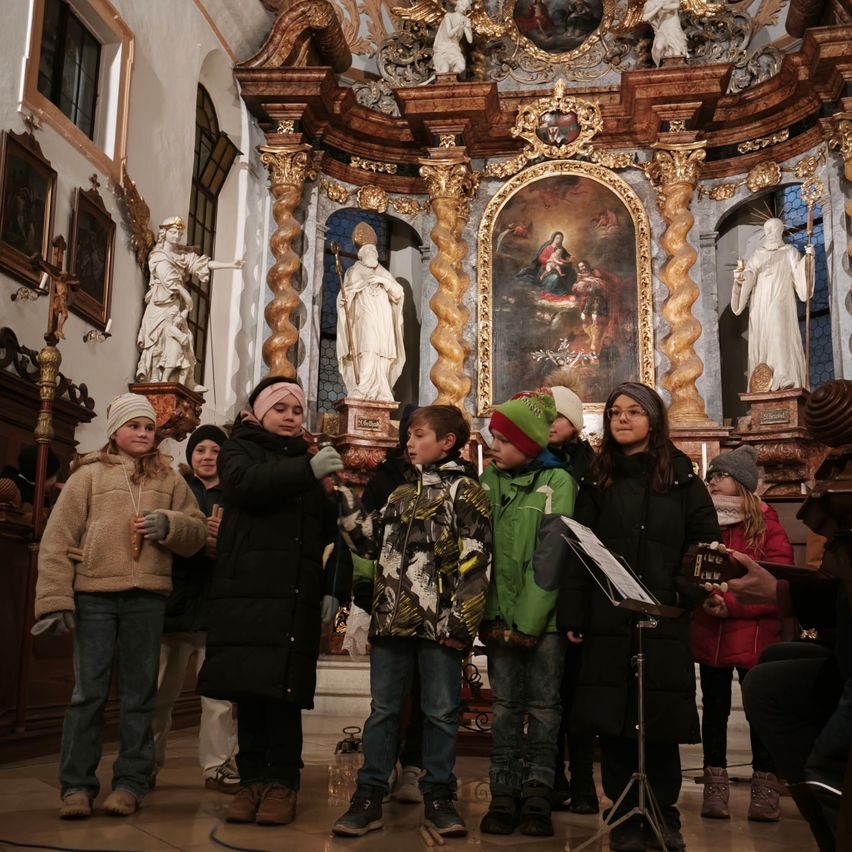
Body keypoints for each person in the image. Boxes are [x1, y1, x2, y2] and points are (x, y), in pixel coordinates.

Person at [557, 382, 719, 851]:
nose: (622, 420)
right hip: (609, 616)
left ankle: (664, 813)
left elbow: (704, 542)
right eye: (614, 414)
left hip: (664, 615)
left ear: (654, 419)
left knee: (659, 717)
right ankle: (625, 813)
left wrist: (683, 594)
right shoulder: (598, 478)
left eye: (633, 412)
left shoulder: (683, 479)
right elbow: (579, 551)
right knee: (614, 714)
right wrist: (576, 613)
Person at [32, 393, 207, 819]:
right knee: (87, 694)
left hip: (147, 597)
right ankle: (76, 786)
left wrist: (169, 525)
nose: (144, 434)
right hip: (94, 595)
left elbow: (197, 530)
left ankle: (130, 783)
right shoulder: (87, 476)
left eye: (149, 427)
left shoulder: (170, 478)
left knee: (139, 695)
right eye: (135, 426)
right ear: (115, 431)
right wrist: (54, 601)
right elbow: (57, 539)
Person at [331, 405, 492, 838]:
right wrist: (345, 498)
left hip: (440, 626)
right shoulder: (400, 495)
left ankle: (439, 794)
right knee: (383, 711)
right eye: (409, 437)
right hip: (391, 623)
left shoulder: (467, 492)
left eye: (419, 435)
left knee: (440, 712)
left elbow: (476, 561)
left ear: (447, 442)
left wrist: (462, 624)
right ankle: (368, 795)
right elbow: (366, 544)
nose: (409, 442)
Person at [196, 377, 342, 826]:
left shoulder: (308, 458)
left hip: (295, 590)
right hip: (246, 589)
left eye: (297, 411)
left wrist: (334, 586)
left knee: (284, 692)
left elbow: (330, 531)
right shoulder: (238, 449)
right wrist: (309, 471)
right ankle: (252, 779)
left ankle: (282, 783)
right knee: (250, 690)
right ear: (258, 412)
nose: (290, 418)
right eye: (280, 409)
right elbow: (244, 485)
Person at [478, 391, 577, 838]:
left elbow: (551, 555)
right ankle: (503, 792)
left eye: (502, 439)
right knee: (503, 707)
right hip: (498, 614)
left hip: (545, 623)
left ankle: (538, 791)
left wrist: (530, 621)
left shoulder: (557, 483)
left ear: (529, 443)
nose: (492, 446)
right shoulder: (489, 480)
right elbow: (479, 549)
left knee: (543, 707)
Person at [691, 445, 792, 822]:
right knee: (714, 711)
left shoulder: (768, 528)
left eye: (720, 475)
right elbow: (694, 568)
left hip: (753, 637)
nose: (712, 479)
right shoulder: (703, 523)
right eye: (711, 475)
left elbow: (777, 587)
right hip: (710, 633)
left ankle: (765, 787)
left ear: (743, 484)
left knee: (758, 713)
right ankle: (714, 783)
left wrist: (730, 604)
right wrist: (702, 597)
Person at [151, 425, 239, 794]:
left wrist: (227, 540)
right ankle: (145, 763)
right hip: (176, 602)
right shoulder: (175, 490)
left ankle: (217, 765)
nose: (206, 456)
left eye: (214, 450)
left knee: (218, 696)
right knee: (158, 692)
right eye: (199, 450)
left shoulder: (236, 495)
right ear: (190, 457)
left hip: (218, 605)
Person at [539, 373, 598, 813]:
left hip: (582, 585)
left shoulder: (593, 467)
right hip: (546, 584)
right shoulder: (532, 461)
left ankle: (582, 782)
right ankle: (550, 777)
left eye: (559, 415)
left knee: (577, 691)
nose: (551, 423)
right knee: (548, 693)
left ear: (574, 421)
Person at [136, 216, 242, 390]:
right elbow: (168, 278)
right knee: (157, 340)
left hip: (175, 306)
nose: (177, 235)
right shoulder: (157, 255)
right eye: (173, 232)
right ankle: (154, 376)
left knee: (184, 341)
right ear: (164, 233)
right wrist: (186, 295)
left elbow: (202, 263)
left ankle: (187, 381)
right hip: (160, 304)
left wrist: (231, 264)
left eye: (179, 232)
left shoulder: (181, 256)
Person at [731, 217, 812, 390]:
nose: (768, 233)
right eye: (766, 229)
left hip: (781, 298)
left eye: (772, 229)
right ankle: (764, 381)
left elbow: (799, 276)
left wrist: (808, 260)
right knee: (764, 336)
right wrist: (740, 280)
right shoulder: (758, 254)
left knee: (779, 332)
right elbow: (749, 276)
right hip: (760, 303)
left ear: (780, 231)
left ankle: (784, 377)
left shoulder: (789, 251)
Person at [336, 242, 406, 402]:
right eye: (369, 251)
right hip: (364, 319)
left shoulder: (383, 273)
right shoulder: (353, 272)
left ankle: (383, 391)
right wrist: (343, 300)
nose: (373, 253)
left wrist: (385, 282)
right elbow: (346, 294)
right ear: (361, 256)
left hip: (383, 320)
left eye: (374, 251)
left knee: (383, 355)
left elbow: (398, 294)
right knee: (368, 350)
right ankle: (362, 389)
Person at [0, 444, 61, 517]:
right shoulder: (13, 490)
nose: (56, 479)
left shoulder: (37, 489)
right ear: (41, 476)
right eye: (54, 475)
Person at [432, 0, 473, 75]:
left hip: (455, 48)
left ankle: (452, 81)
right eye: (462, 5)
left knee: (461, 67)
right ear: (458, 5)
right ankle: (443, 82)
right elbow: (449, 34)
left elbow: (470, 40)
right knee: (445, 69)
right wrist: (458, 26)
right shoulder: (448, 16)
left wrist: (465, 28)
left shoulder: (467, 20)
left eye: (466, 7)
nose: (464, 9)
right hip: (444, 48)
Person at [642, 0, 688, 65]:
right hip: (662, 27)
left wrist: (663, 7)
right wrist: (658, 7)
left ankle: (677, 67)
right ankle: (660, 66)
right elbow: (644, 18)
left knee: (676, 48)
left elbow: (677, 5)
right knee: (658, 47)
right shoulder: (650, 2)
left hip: (672, 24)